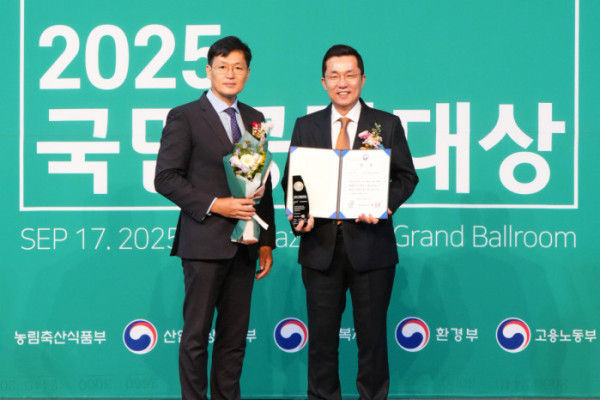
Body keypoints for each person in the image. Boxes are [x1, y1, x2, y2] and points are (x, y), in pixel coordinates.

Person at [282, 44, 418, 400]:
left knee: (372, 341)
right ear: (323, 82)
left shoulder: (386, 124)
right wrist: (299, 218)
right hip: (319, 247)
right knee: (321, 342)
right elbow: (292, 182)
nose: (342, 83)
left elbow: (406, 177)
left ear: (363, 79)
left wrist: (383, 205)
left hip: (371, 247)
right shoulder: (306, 126)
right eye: (334, 76)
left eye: (350, 75)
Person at [154, 36, 275, 400]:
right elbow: (165, 178)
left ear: (248, 73)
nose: (230, 74)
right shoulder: (185, 116)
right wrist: (216, 204)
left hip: (246, 244)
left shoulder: (255, 119)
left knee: (234, 339)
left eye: (238, 67)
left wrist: (266, 242)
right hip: (204, 243)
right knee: (196, 336)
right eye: (222, 67)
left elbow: (262, 182)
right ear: (208, 71)